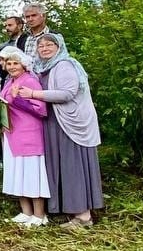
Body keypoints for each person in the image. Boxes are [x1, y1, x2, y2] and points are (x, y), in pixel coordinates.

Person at [20, 34, 103, 228]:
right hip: (54, 122)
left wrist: (33, 94)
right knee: (61, 166)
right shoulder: (42, 68)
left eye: (49, 44)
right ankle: (68, 208)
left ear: (59, 47)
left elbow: (67, 93)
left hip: (71, 123)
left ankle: (83, 216)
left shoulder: (65, 65)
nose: (44, 48)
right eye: (41, 45)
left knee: (73, 166)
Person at [0, 47, 50, 226]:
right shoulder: (9, 82)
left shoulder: (30, 81)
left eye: (15, 63)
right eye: (9, 63)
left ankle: (39, 214)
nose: (12, 66)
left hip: (28, 134)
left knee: (32, 174)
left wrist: (18, 99)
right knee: (17, 172)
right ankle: (25, 211)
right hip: (12, 133)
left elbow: (41, 110)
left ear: (24, 65)